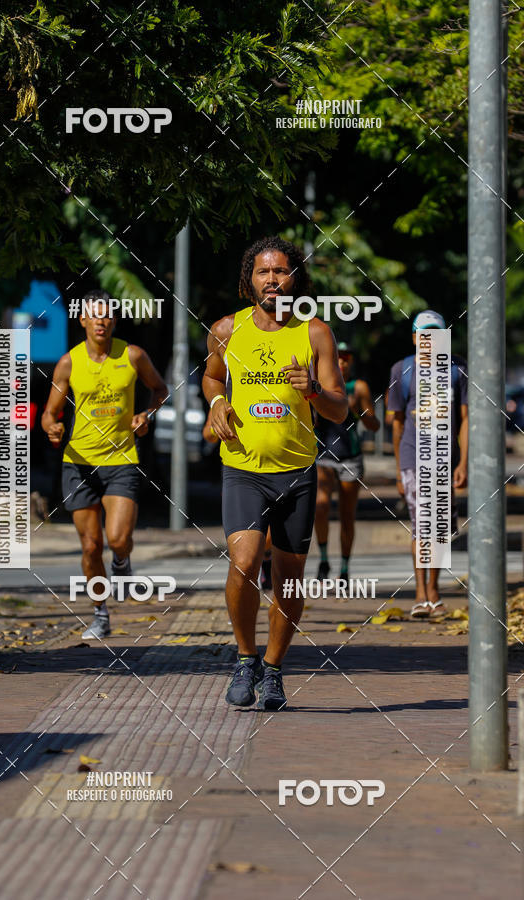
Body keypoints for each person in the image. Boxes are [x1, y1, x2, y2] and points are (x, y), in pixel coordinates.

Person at [203, 236, 347, 710]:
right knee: (244, 563)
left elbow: (340, 409)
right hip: (242, 469)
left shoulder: (314, 333)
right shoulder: (227, 329)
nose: (272, 280)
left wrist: (313, 391)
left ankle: (274, 668)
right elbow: (211, 375)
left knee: (289, 578)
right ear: (249, 280)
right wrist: (217, 401)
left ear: (294, 279)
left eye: (280, 271)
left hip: (297, 472)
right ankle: (245, 658)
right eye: (263, 271)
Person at [41, 289, 168, 638]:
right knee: (91, 546)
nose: (101, 320)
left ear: (114, 320)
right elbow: (50, 413)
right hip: (78, 463)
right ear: (83, 320)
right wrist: (52, 427)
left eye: (108, 314)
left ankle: (122, 561)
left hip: (121, 460)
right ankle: (100, 614)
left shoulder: (132, 355)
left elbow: (160, 389)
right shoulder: (69, 362)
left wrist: (146, 414)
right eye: (95, 314)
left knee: (118, 538)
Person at [387, 309, 468, 618]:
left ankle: (434, 589)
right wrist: (399, 470)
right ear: (414, 338)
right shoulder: (402, 370)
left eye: (436, 334)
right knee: (422, 525)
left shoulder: (458, 370)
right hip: (413, 457)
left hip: (446, 459)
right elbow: (396, 424)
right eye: (424, 334)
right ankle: (422, 593)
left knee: (441, 526)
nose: (430, 340)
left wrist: (463, 463)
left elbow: (466, 419)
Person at [314, 341, 379, 585]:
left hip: (350, 457)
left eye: (346, 358)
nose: (341, 362)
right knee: (320, 506)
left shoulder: (358, 387)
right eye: (338, 357)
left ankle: (344, 567)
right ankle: (323, 559)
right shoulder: (318, 383)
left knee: (346, 515)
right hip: (323, 455)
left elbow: (374, 425)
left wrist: (357, 411)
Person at [203, 409, 273, 590]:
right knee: (244, 545)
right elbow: (208, 434)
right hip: (241, 474)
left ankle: (266, 558)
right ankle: (256, 567)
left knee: (270, 535)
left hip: (278, 469)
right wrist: (219, 426)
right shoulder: (226, 399)